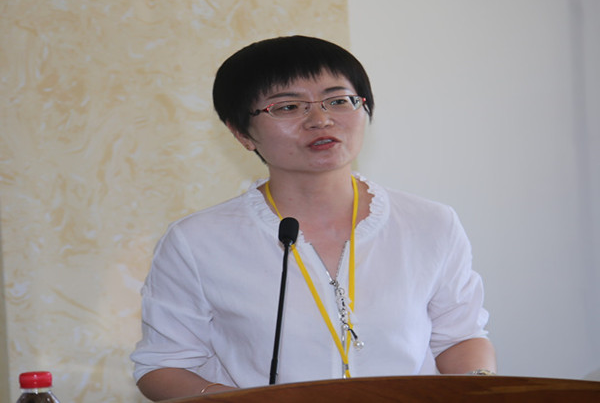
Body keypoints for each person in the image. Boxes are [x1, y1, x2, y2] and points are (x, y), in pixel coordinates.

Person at [131, 35, 496, 401]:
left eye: (338, 101)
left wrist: (481, 387)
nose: (321, 120)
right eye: (288, 107)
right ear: (241, 133)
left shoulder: (430, 223)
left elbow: (459, 337)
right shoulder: (197, 241)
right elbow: (163, 366)